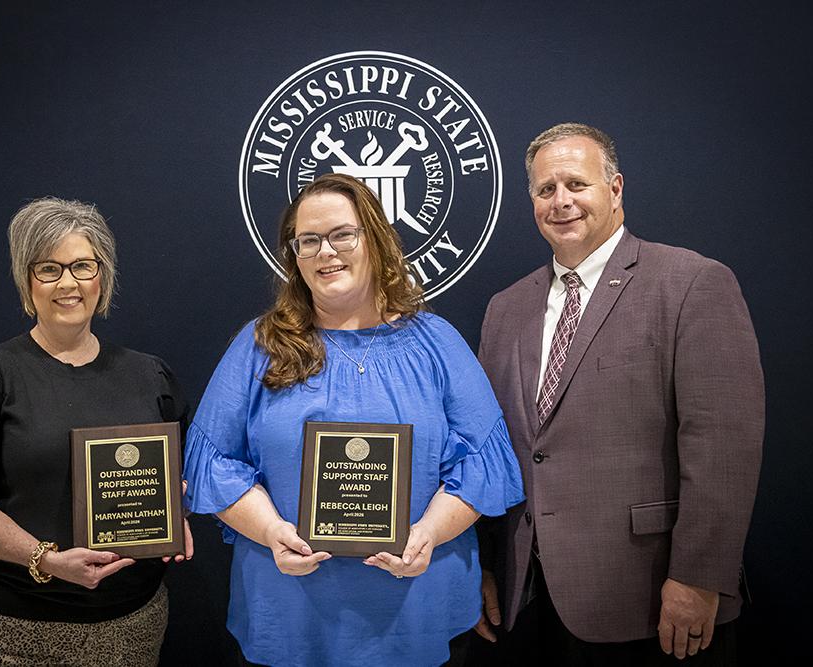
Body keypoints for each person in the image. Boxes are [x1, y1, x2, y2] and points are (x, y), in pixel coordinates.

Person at [182, 173, 524, 666]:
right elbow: (212, 463)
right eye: (309, 240)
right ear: (294, 256)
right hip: (291, 611)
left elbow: (484, 462)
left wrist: (428, 532)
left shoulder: (437, 342)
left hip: (418, 607)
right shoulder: (259, 346)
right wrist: (271, 531)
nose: (327, 252)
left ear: (376, 240)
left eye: (343, 234)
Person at [474, 123, 764, 665]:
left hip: (651, 597)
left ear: (615, 188)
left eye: (576, 185)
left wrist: (699, 577)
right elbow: (494, 449)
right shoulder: (505, 308)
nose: (561, 202)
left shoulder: (691, 283)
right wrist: (484, 565)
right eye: (545, 190)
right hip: (528, 597)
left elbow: (723, 448)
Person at [0, 197, 192, 666]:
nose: (68, 283)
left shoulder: (151, 377)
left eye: (83, 266)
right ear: (27, 281)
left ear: (102, 277)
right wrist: (44, 559)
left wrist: (174, 512)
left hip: (130, 627)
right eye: (49, 269)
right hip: (8, 632)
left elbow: (178, 474)